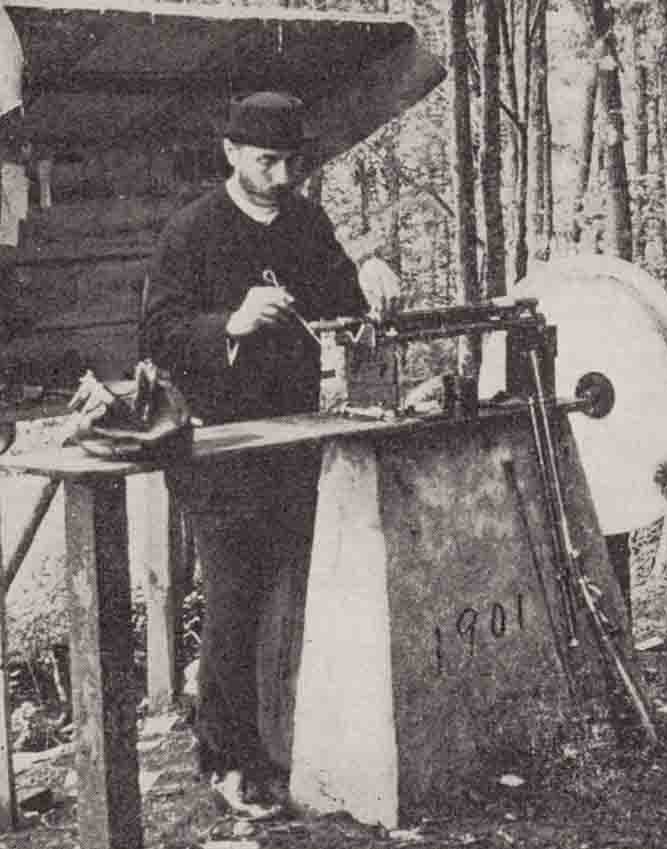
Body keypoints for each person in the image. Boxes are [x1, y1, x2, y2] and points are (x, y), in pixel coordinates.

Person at [141, 91, 368, 818]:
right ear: (231, 153)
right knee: (235, 600)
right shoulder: (192, 231)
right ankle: (227, 759)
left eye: (291, 161)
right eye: (266, 160)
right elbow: (161, 335)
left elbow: (343, 296)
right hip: (218, 447)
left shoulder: (305, 220)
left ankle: (293, 741)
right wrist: (230, 322)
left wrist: (374, 282)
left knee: (303, 589)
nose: (280, 174)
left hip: (295, 435)